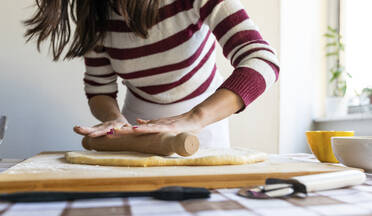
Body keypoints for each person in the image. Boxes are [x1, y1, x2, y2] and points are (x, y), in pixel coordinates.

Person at [25, 0, 279, 148]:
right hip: (134, 127)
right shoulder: (97, 11)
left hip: (203, 125)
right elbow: (99, 88)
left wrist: (194, 118)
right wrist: (114, 119)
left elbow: (262, 60)